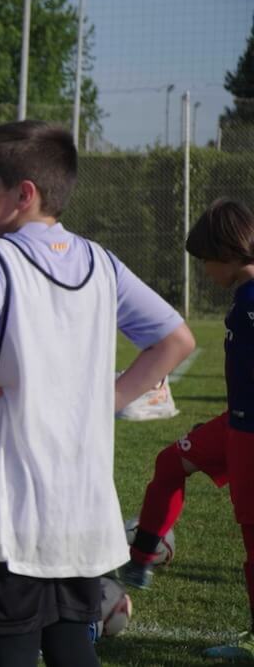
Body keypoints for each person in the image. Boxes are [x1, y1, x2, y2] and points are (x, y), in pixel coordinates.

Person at [0, 120, 195, 667]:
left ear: (22, 196)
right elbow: (176, 339)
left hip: (14, 505)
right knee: (68, 640)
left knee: (10, 644)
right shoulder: (99, 260)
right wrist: (108, 400)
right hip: (84, 506)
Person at [118, 199, 254, 660]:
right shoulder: (245, 296)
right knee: (169, 461)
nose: (204, 271)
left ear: (228, 253)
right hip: (235, 424)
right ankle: (140, 562)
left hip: (251, 434)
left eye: (205, 261)